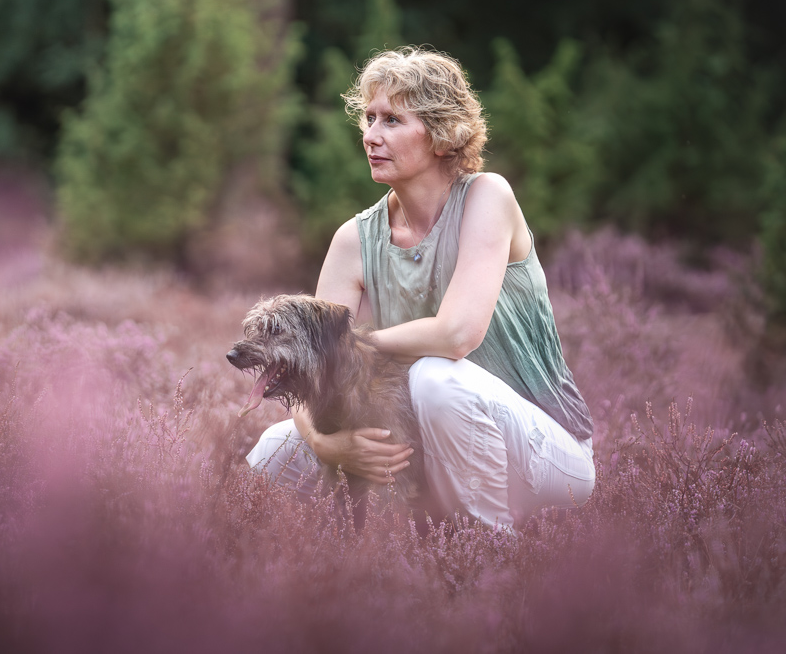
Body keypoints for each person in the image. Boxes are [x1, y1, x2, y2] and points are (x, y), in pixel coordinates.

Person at [246, 46, 595, 531]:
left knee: (436, 377)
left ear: (441, 134)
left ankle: (488, 556)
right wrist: (330, 446)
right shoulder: (354, 240)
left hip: (547, 451)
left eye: (392, 120)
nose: (370, 136)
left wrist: (350, 342)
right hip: (421, 439)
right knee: (273, 452)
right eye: (368, 118)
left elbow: (457, 335)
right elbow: (312, 367)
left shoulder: (487, 198)